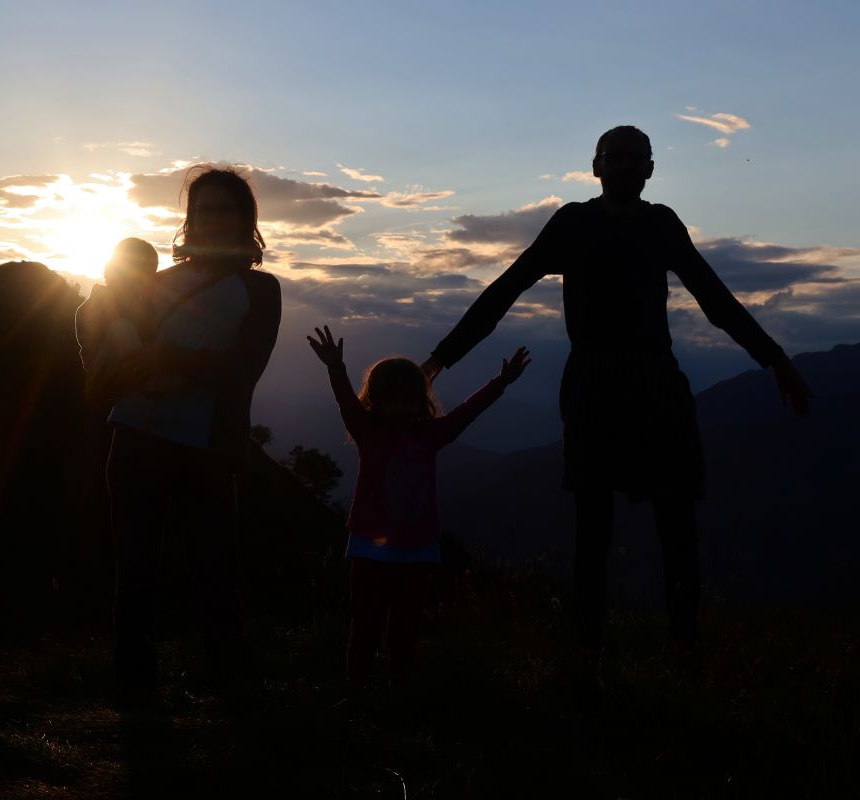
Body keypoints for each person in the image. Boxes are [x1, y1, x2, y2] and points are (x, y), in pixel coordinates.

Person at [420, 125, 812, 671]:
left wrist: (776, 360)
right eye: (616, 157)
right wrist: (440, 360)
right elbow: (506, 289)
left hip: (655, 381)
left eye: (637, 158)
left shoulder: (662, 225)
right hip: (594, 384)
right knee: (593, 528)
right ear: (596, 166)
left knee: (677, 523)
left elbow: (716, 300)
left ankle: (683, 644)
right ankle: (588, 650)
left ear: (650, 169)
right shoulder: (573, 224)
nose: (627, 166)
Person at [84, 166, 281, 696]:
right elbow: (120, 345)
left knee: (215, 570)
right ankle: (134, 687)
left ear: (245, 219)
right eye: (204, 209)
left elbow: (244, 367)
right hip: (135, 435)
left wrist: (166, 358)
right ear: (189, 219)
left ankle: (231, 682)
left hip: (208, 447)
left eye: (225, 209)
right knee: (135, 568)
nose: (214, 218)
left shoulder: (261, 290)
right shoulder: (154, 284)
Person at [308, 325, 530, 688]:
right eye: (391, 400)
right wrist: (335, 367)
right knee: (365, 623)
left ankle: (399, 688)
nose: (400, 408)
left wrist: (500, 382)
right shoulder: (369, 432)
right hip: (370, 547)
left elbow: (466, 412)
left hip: (416, 549)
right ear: (375, 401)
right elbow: (346, 402)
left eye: (408, 400)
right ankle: (358, 686)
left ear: (420, 402)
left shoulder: (431, 435)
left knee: (406, 627)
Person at [74, 237, 160, 402]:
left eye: (148, 274)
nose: (141, 280)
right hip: (105, 366)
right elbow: (94, 340)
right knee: (121, 327)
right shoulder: (96, 304)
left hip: (126, 368)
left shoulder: (141, 303)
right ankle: (150, 384)